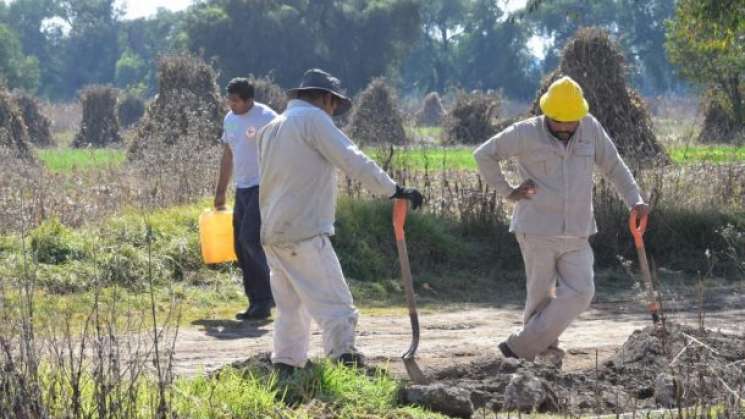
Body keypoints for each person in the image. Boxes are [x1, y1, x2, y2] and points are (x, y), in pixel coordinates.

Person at [474, 76, 650, 366]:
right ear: (547, 113)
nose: (567, 127)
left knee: (582, 291)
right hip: (536, 230)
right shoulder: (525, 133)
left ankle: (519, 348)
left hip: (578, 231)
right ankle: (544, 354)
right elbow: (484, 155)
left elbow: (614, 166)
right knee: (540, 298)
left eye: (572, 121)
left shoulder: (590, 128)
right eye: (560, 121)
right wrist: (508, 191)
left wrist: (636, 200)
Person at [257, 68, 423, 372]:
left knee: (290, 309)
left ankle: (286, 367)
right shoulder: (313, 119)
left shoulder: (272, 127)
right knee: (337, 306)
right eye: (334, 104)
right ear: (324, 98)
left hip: (271, 231)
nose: (333, 111)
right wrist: (394, 190)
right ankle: (346, 362)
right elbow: (351, 158)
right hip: (303, 230)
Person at [214, 78, 277, 320]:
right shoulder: (230, 120)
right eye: (229, 100)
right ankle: (255, 301)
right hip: (242, 187)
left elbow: (283, 150)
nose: (231, 105)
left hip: (264, 185)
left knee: (250, 238)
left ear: (249, 100)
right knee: (239, 245)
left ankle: (268, 296)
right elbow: (228, 154)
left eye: (236, 101)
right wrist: (220, 192)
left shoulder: (267, 117)